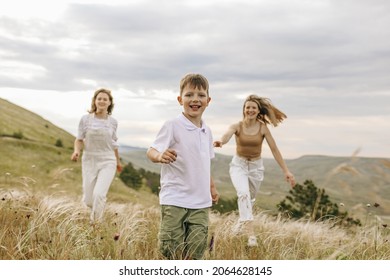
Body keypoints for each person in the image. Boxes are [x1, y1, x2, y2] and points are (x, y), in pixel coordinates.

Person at [146, 73, 219, 260]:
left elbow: (205, 162)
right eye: (189, 95)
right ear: (180, 99)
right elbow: (151, 151)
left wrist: (211, 188)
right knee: (171, 250)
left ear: (208, 100)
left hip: (201, 202)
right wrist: (160, 155)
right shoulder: (173, 125)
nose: (195, 99)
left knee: (196, 251)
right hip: (175, 199)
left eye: (201, 95)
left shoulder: (207, 130)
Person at [213, 94, 295, 247]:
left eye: (253, 108)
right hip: (239, 165)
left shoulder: (263, 128)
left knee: (249, 201)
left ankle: (236, 230)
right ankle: (251, 236)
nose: (250, 110)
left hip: (256, 168)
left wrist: (286, 171)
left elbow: (275, 150)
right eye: (247, 107)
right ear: (244, 110)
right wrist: (220, 141)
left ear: (258, 111)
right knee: (243, 194)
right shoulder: (237, 126)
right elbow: (226, 136)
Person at [71, 88, 122, 224]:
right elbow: (79, 139)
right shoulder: (85, 119)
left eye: (105, 99)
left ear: (110, 103)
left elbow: (113, 144)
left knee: (99, 195)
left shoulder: (113, 122)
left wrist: (117, 162)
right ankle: (94, 212)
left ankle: (95, 225)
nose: (102, 101)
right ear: (95, 101)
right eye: (99, 98)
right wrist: (76, 151)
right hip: (89, 160)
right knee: (88, 200)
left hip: (107, 160)